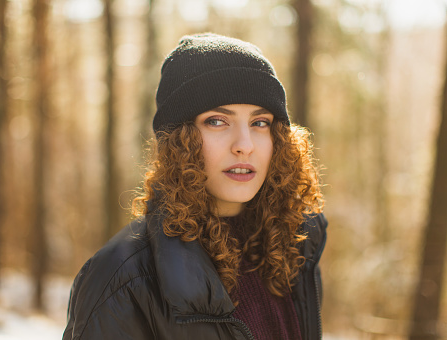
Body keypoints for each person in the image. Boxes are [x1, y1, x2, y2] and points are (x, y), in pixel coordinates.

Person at [62, 33, 327, 340]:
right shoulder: (123, 279)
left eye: (260, 122)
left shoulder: (293, 248)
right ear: (179, 140)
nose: (245, 145)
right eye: (217, 121)